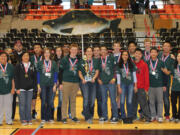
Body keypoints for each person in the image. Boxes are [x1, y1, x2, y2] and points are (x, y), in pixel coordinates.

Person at [60, 44, 80, 124]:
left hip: (75, 82)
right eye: (73, 49)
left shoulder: (79, 60)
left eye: (76, 49)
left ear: (77, 51)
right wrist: (61, 83)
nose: (74, 51)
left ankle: (73, 116)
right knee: (65, 100)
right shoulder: (64, 59)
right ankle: (64, 117)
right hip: (66, 81)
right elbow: (60, 72)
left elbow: (80, 71)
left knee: (73, 100)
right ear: (70, 50)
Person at [14, 52, 36, 125]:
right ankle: (23, 119)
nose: (26, 57)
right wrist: (17, 88)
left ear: (29, 57)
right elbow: (16, 77)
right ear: (22, 57)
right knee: (22, 105)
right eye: (24, 56)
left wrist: (34, 88)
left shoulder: (32, 65)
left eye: (27, 56)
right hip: (21, 89)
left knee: (28, 104)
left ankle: (29, 118)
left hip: (30, 89)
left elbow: (34, 78)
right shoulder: (18, 65)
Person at [78, 47, 99, 124]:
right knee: (86, 98)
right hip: (84, 82)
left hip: (93, 82)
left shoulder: (95, 61)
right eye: (88, 51)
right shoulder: (82, 61)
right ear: (85, 53)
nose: (89, 53)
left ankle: (90, 114)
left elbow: (97, 71)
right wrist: (82, 79)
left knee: (93, 99)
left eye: (90, 51)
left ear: (92, 53)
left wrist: (94, 78)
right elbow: (79, 72)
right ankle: (87, 116)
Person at [37, 48, 58, 123]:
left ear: (50, 54)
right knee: (43, 101)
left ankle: (50, 117)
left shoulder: (54, 63)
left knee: (50, 101)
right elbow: (38, 74)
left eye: (48, 53)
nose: (46, 54)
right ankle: (43, 118)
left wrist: (55, 85)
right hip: (42, 85)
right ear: (43, 54)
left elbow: (55, 74)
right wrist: (38, 85)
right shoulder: (40, 63)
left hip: (51, 85)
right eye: (45, 53)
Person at [98, 46, 118, 123]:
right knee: (104, 100)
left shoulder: (112, 58)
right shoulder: (99, 60)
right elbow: (97, 70)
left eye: (104, 50)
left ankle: (115, 116)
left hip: (111, 82)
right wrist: (98, 79)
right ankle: (104, 116)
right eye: (101, 50)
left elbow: (116, 68)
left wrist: (114, 78)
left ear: (107, 51)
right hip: (102, 83)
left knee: (113, 100)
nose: (103, 51)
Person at [117, 50, 137, 123]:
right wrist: (119, 87)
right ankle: (123, 117)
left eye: (126, 55)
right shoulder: (119, 65)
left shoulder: (132, 64)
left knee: (129, 101)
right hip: (122, 84)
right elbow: (118, 77)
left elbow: (134, 76)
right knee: (122, 101)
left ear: (128, 56)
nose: (125, 56)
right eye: (123, 55)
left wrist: (135, 86)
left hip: (131, 84)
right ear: (121, 56)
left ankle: (129, 116)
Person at [147, 47, 165, 123]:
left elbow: (165, 75)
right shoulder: (147, 62)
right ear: (150, 54)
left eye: (155, 52)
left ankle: (160, 116)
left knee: (160, 101)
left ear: (157, 54)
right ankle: (153, 115)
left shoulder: (161, 62)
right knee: (151, 101)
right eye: (152, 52)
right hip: (150, 85)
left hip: (159, 85)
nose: (153, 53)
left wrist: (164, 85)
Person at [133, 48, 151, 122]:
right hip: (133, 87)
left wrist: (146, 88)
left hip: (141, 88)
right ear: (134, 54)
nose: (137, 55)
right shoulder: (131, 63)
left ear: (141, 55)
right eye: (136, 53)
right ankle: (134, 117)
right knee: (133, 103)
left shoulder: (144, 64)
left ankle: (148, 118)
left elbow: (146, 77)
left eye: (139, 54)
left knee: (143, 103)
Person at [159, 42, 174, 121]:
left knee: (166, 99)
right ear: (162, 47)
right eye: (164, 46)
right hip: (157, 81)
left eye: (168, 46)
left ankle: (167, 115)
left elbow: (169, 72)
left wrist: (164, 70)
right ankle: (157, 115)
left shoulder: (172, 58)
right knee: (156, 99)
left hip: (166, 82)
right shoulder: (158, 55)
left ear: (170, 48)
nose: (166, 47)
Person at [0, 52, 15, 125]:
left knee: (9, 106)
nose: (3, 58)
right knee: (0, 106)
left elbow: (12, 79)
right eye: (2, 56)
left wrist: (13, 88)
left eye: (5, 56)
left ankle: (9, 120)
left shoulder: (11, 66)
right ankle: (0, 121)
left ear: (7, 58)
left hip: (8, 90)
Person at [11, 40, 24, 121]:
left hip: (22, 81)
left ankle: (23, 117)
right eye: (17, 45)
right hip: (13, 81)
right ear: (14, 46)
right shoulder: (10, 56)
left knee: (22, 101)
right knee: (12, 101)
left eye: (20, 45)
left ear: (22, 46)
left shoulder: (25, 55)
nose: (18, 47)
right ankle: (11, 117)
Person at [30, 43, 42, 120]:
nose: (37, 49)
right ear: (34, 49)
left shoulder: (44, 57)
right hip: (33, 79)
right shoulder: (31, 58)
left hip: (43, 79)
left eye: (38, 47)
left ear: (41, 48)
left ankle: (43, 112)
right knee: (33, 97)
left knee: (43, 97)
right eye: (35, 48)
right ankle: (33, 111)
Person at [112, 42, 121, 119]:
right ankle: (113, 112)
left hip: (121, 79)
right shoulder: (110, 56)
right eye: (115, 46)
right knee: (113, 97)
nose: (116, 47)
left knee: (120, 96)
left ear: (120, 47)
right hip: (112, 80)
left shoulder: (123, 56)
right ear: (113, 47)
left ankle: (118, 111)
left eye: (118, 46)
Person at [53, 47, 63, 121]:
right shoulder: (52, 60)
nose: (59, 52)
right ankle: (51, 115)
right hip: (54, 82)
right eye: (57, 51)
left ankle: (59, 115)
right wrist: (55, 81)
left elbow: (64, 72)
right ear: (55, 52)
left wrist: (61, 81)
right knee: (51, 99)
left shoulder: (65, 60)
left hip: (61, 82)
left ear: (61, 52)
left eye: (60, 50)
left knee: (61, 99)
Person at [92, 46, 102, 119]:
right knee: (91, 99)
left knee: (100, 99)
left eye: (97, 50)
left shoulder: (102, 59)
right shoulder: (90, 60)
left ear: (100, 51)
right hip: (92, 82)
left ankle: (100, 115)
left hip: (100, 82)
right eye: (94, 50)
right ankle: (90, 115)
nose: (96, 52)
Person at [170, 52, 180, 123]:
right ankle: (174, 115)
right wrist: (170, 87)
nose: (179, 57)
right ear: (176, 58)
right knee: (173, 103)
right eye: (178, 56)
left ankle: (179, 117)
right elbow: (171, 77)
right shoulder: (174, 66)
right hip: (174, 88)